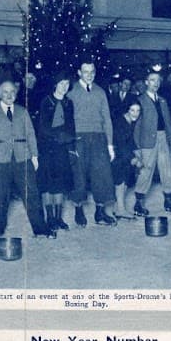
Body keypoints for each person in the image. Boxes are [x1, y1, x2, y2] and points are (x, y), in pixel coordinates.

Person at [0, 81, 54, 238]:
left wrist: (34, 156)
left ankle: (40, 228)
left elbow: (31, 134)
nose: (9, 95)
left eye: (12, 92)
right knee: (0, 194)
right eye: (5, 92)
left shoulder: (22, 111)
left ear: (16, 93)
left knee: (31, 193)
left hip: (22, 156)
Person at [67, 60, 117, 226]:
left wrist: (110, 145)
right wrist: (70, 142)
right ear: (79, 72)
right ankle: (79, 210)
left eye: (92, 72)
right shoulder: (71, 91)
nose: (89, 75)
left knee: (101, 174)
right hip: (78, 138)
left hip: (98, 138)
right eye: (86, 72)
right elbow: (66, 120)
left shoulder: (100, 92)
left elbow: (108, 119)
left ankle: (100, 212)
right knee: (78, 174)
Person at [133, 72, 171, 215]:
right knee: (146, 172)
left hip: (163, 138)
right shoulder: (139, 100)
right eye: (152, 80)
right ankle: (138, 203)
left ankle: (169, 201)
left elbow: (168, 123)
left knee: (167, 171)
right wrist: (137, 148)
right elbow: (136, 126)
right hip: (147, 141)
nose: (156, 83)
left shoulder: (163, 101)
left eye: (158, 80)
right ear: (146, 82)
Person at [37, 72, 77, 231]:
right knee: (47, 183)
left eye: (67, 84)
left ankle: (59, 217)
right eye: (61, 84)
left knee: (59, 183)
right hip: (47, 147)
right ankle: (50, 218)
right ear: (55, 85)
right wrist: (59, 136)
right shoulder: (46, 101)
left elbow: (71, 125)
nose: (64, 87)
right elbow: (43, 127)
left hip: (62, 147)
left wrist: (70, 140)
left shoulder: (69, 103)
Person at [111, 100, 143, 219]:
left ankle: (117, 207)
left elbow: (131, 142)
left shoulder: (130, 122)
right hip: (118, 155)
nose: (135, 113)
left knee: (124, 182)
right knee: (120, 182)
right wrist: (133, 158)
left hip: (124, 155)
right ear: (127, 110)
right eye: (132, 110)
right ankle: (121, 210)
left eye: (138, 111)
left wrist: (137, 155)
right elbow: (121, 144)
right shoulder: (120, 123)